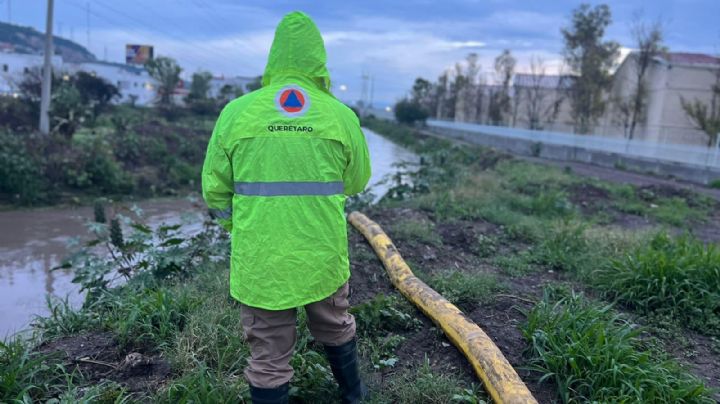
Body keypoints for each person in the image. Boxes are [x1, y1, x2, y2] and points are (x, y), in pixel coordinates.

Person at [201, 11, 372, 404]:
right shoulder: (340, 116)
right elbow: (358, 180)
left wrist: (243, 226)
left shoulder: (236, 113)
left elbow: (215, 191)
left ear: (274, 56)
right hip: (321, 253)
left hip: (261, 259)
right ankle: (354, 396)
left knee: (268, 355)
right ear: (319, 59)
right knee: (336, 325)